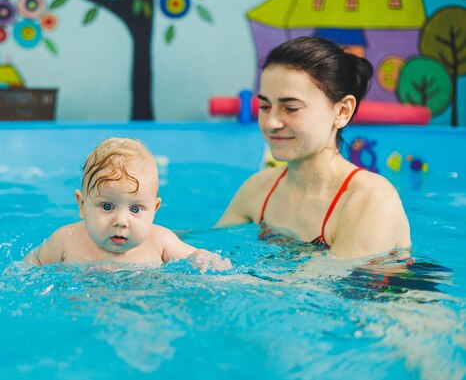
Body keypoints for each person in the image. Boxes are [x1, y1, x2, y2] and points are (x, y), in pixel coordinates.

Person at [216, 36, 411, 259]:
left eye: (291, 108)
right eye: (265, 106)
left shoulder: (371, 200)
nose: (271, 122)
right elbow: (205, 247)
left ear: (342, 111)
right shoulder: (258, 189)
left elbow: (320, 287)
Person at [25, 137, 231, 271]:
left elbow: (194, 254)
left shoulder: (160, 241)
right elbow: (34, 261)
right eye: (107, 206)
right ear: (82, 205)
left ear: (154, 210)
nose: (121, 221)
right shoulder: (66, 240)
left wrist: (205, 258)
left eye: (135, 209)